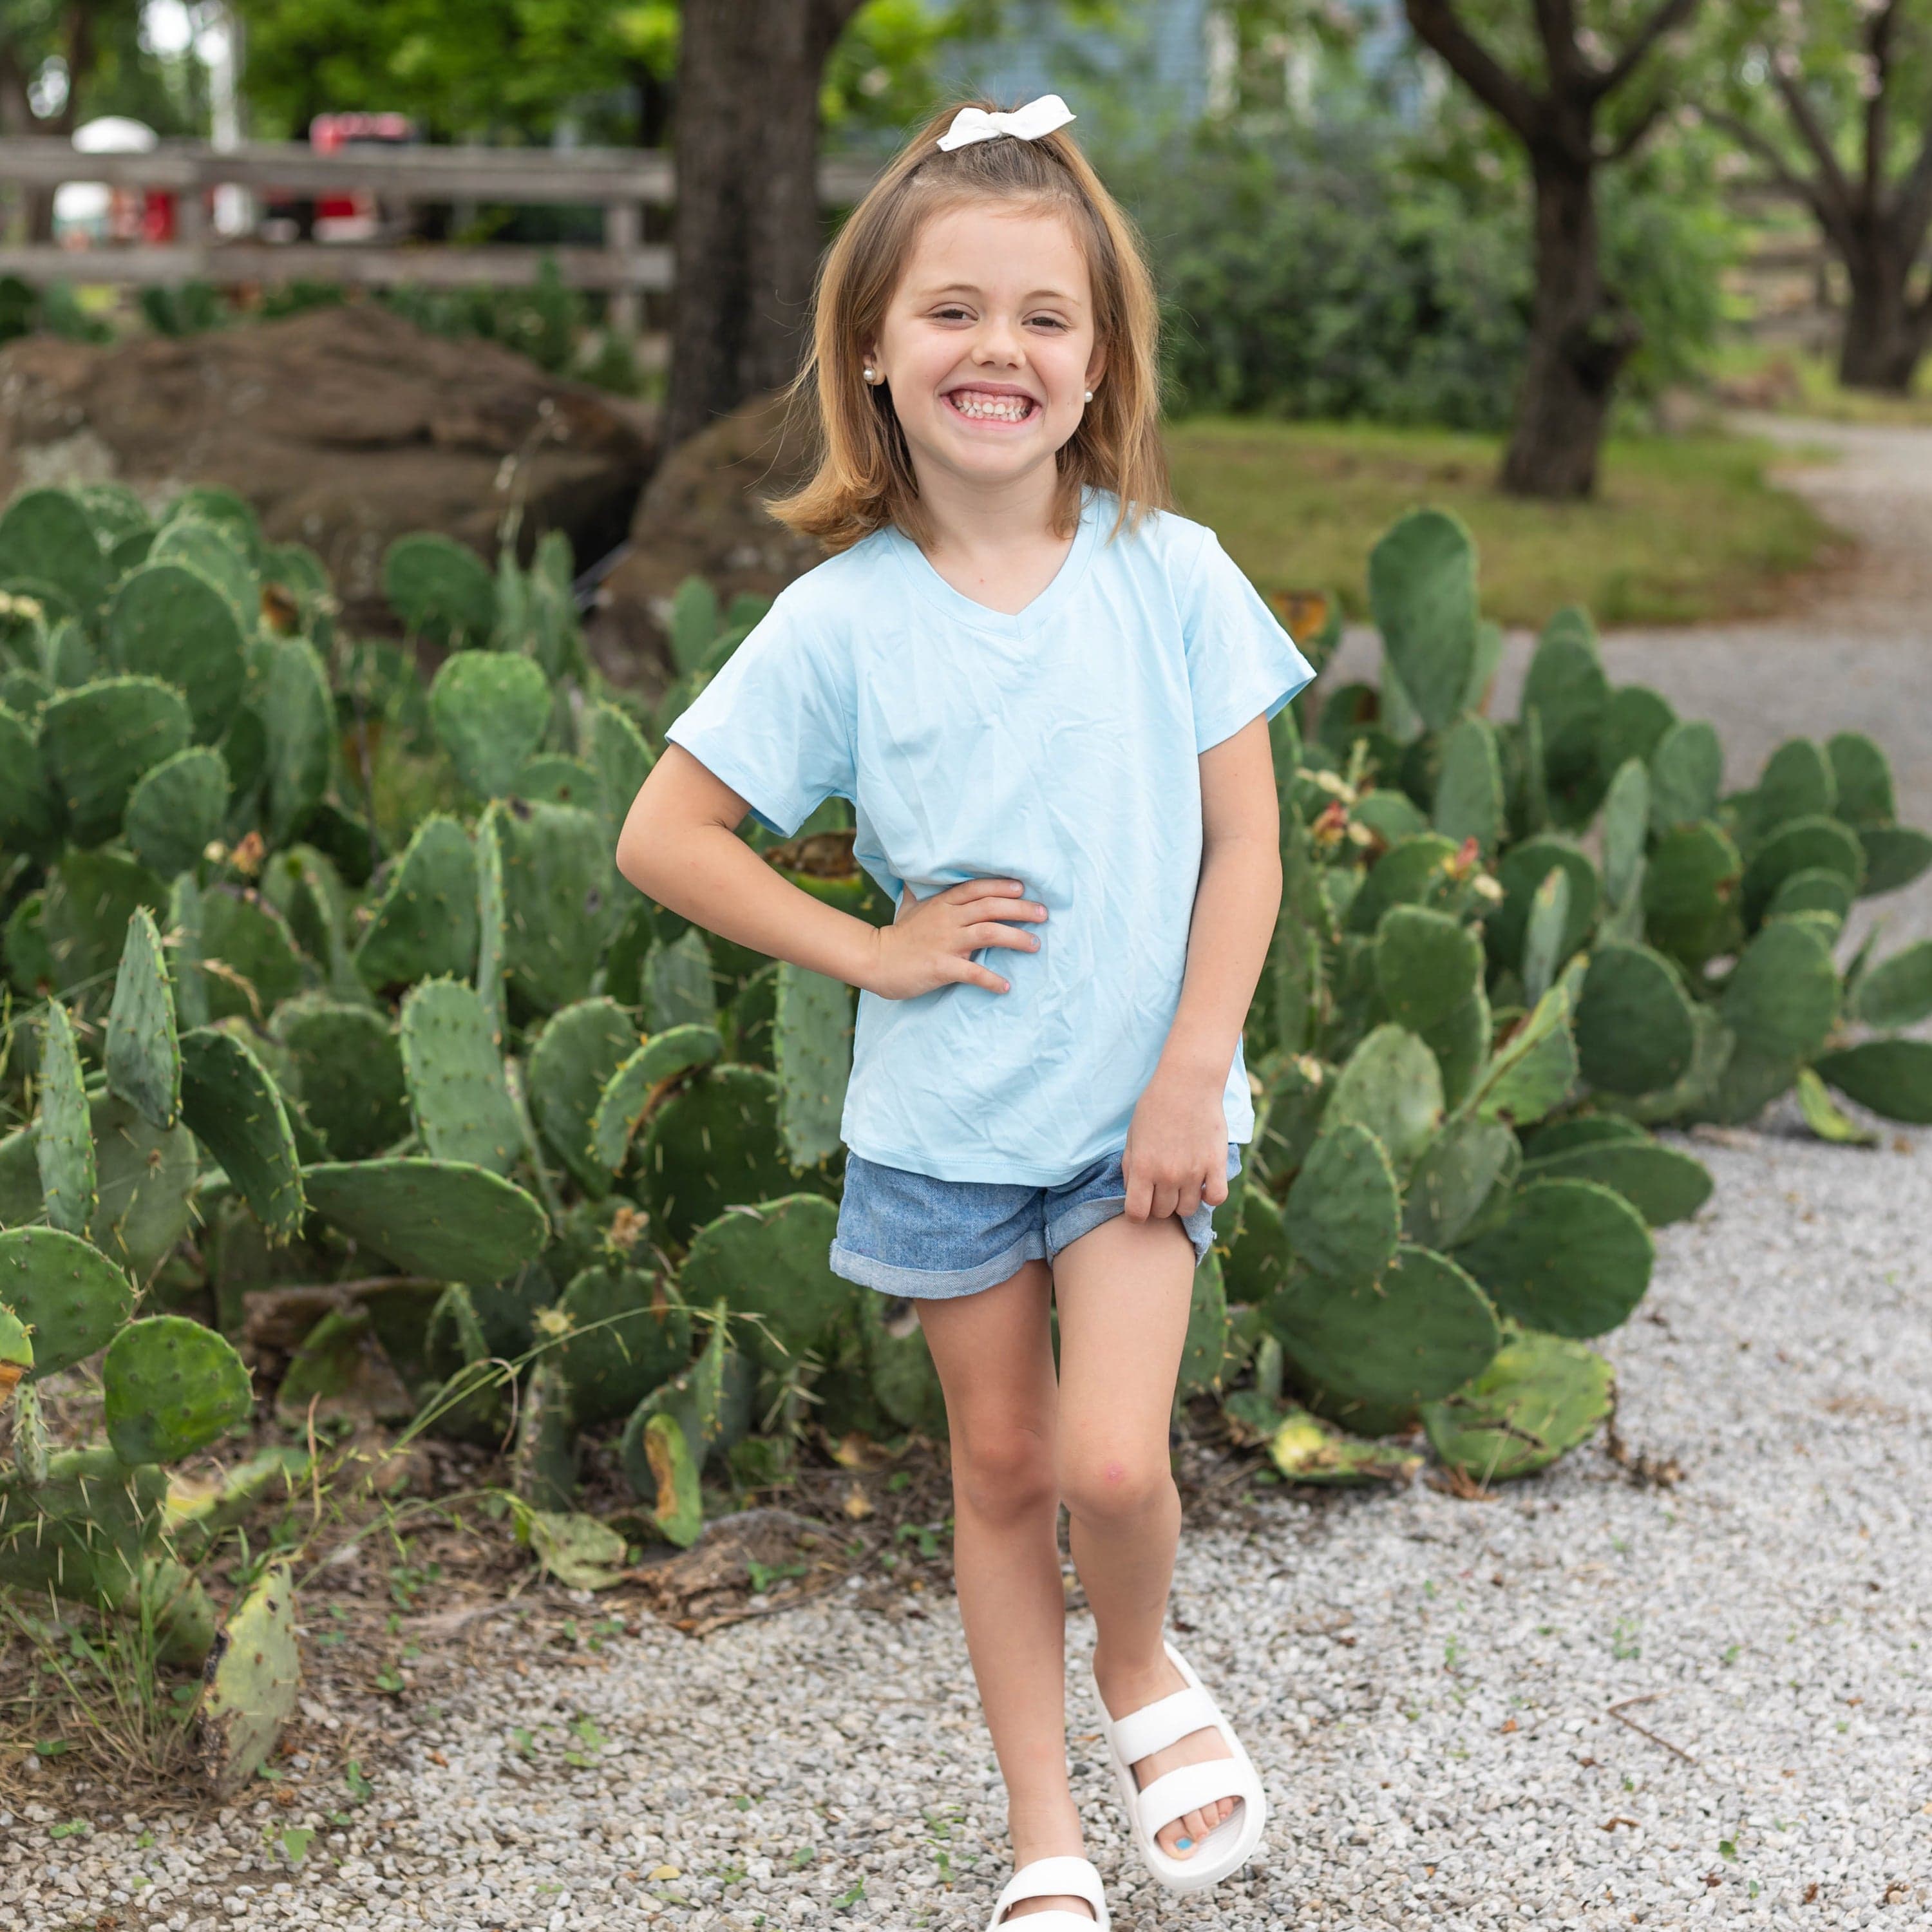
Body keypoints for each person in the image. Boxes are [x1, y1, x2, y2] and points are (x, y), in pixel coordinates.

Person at [616, 91, 1314, 1932]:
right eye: (951, 311)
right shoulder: (840, 619)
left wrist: (1192, 1074)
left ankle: (1145, 1674)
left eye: (1044, 317)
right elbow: (663, 834)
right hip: (941, 1130)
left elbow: (1247, 848)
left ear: (1098, 366)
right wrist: (871, 950)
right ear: (871, 348)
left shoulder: (1172, 575)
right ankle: (1043, 1840)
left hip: (1134, 1118)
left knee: (1107, 1459)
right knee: (1000, 1473)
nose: (997, 348)